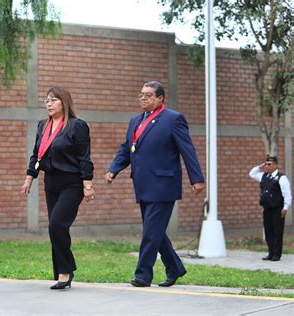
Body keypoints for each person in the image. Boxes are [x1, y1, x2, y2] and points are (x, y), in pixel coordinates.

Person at [106, 81, 205, 287]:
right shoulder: (135, 121)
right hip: (142, 185)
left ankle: (143, 274)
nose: (143, 98)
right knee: (155, 232)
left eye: (148, 95)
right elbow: (127, 149)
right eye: (141, 94)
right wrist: (114, 169)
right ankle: (175, 268)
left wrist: (196, 179)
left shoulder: (173, 119)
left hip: (163, 185)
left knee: (151, 232)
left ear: (160, 98)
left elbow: (188, 150)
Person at [21, 87, 94, 290]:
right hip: (50, 182)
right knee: (56, 228)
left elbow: (84, 157)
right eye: (46, 100)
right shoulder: (43, 125)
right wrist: (29, 178)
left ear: (64, 102)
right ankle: (64, 270)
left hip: (72, 183)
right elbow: (37, 154)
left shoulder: (77, 125)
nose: (49, 104)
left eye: (53, 100)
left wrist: (87, 184)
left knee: (56, 225)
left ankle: (66, 270)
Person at [249, 156, 292, 261]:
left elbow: (287, 194)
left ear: (276, 165)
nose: (267, 166)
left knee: (277, 231)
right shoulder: (264, 176)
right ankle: (270, 253)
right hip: (267, 208)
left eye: (269, 164)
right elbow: (252, 174)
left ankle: (277, 254)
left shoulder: (281, 177)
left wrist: (285, 208)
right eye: (266, 164)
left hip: (278, 209)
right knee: (268, 231)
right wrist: (260, 167)